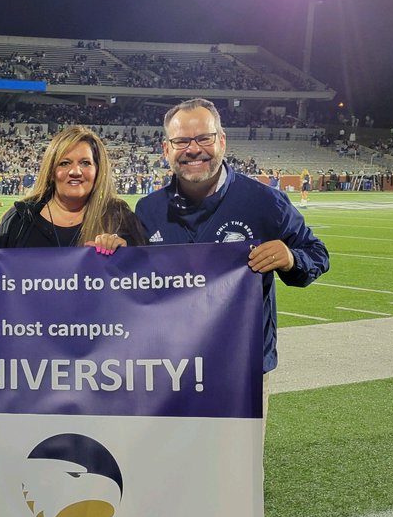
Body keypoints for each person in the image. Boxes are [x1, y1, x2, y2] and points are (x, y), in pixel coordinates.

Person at [135, 98, 328, 407]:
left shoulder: (265, 202)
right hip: (168, 369)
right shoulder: (148, 210)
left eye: (204, 138)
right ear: (166, 148)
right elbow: (132, 286)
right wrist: (110, 255)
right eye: (181, 140)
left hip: (241, 371)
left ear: (221, 141)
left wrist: (291, 258)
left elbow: (317, 254)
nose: (193, 149)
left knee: (237, 458)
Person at [0, 125, 144, 259]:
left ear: (98, 170)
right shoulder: (20, 219)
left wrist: (129, 254)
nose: (75, 171)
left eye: (85, 163)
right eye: (64, 163)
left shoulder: (119, 218)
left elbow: (148, 282)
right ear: (51, 171)